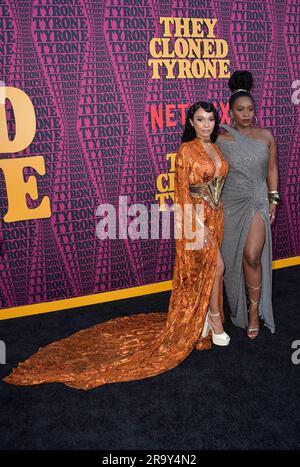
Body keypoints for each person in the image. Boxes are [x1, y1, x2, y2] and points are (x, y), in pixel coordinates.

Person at [3, 101, 230, 391]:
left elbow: (220, 181)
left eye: (210, 119)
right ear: (191, 122)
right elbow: (181, 194)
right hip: (196, 218)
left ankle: (203, 324)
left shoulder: (217, 146)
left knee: (209, 271)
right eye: (200, 120)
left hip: (217, 215)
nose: (206, 125)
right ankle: (213, 322)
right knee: (214, 267)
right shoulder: (187, 151)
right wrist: (196, 225)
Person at [216, 71, 279, 339]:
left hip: (256, 201)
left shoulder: (265, 136)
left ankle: (253, 311)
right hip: (230, 204)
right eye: (240, 109)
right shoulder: (220, 140)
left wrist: (273, 197)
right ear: (230, 111)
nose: (246, 114)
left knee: (252, 255)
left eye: (250, 109)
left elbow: (272, 167)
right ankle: (237, 306)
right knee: (232, 259)